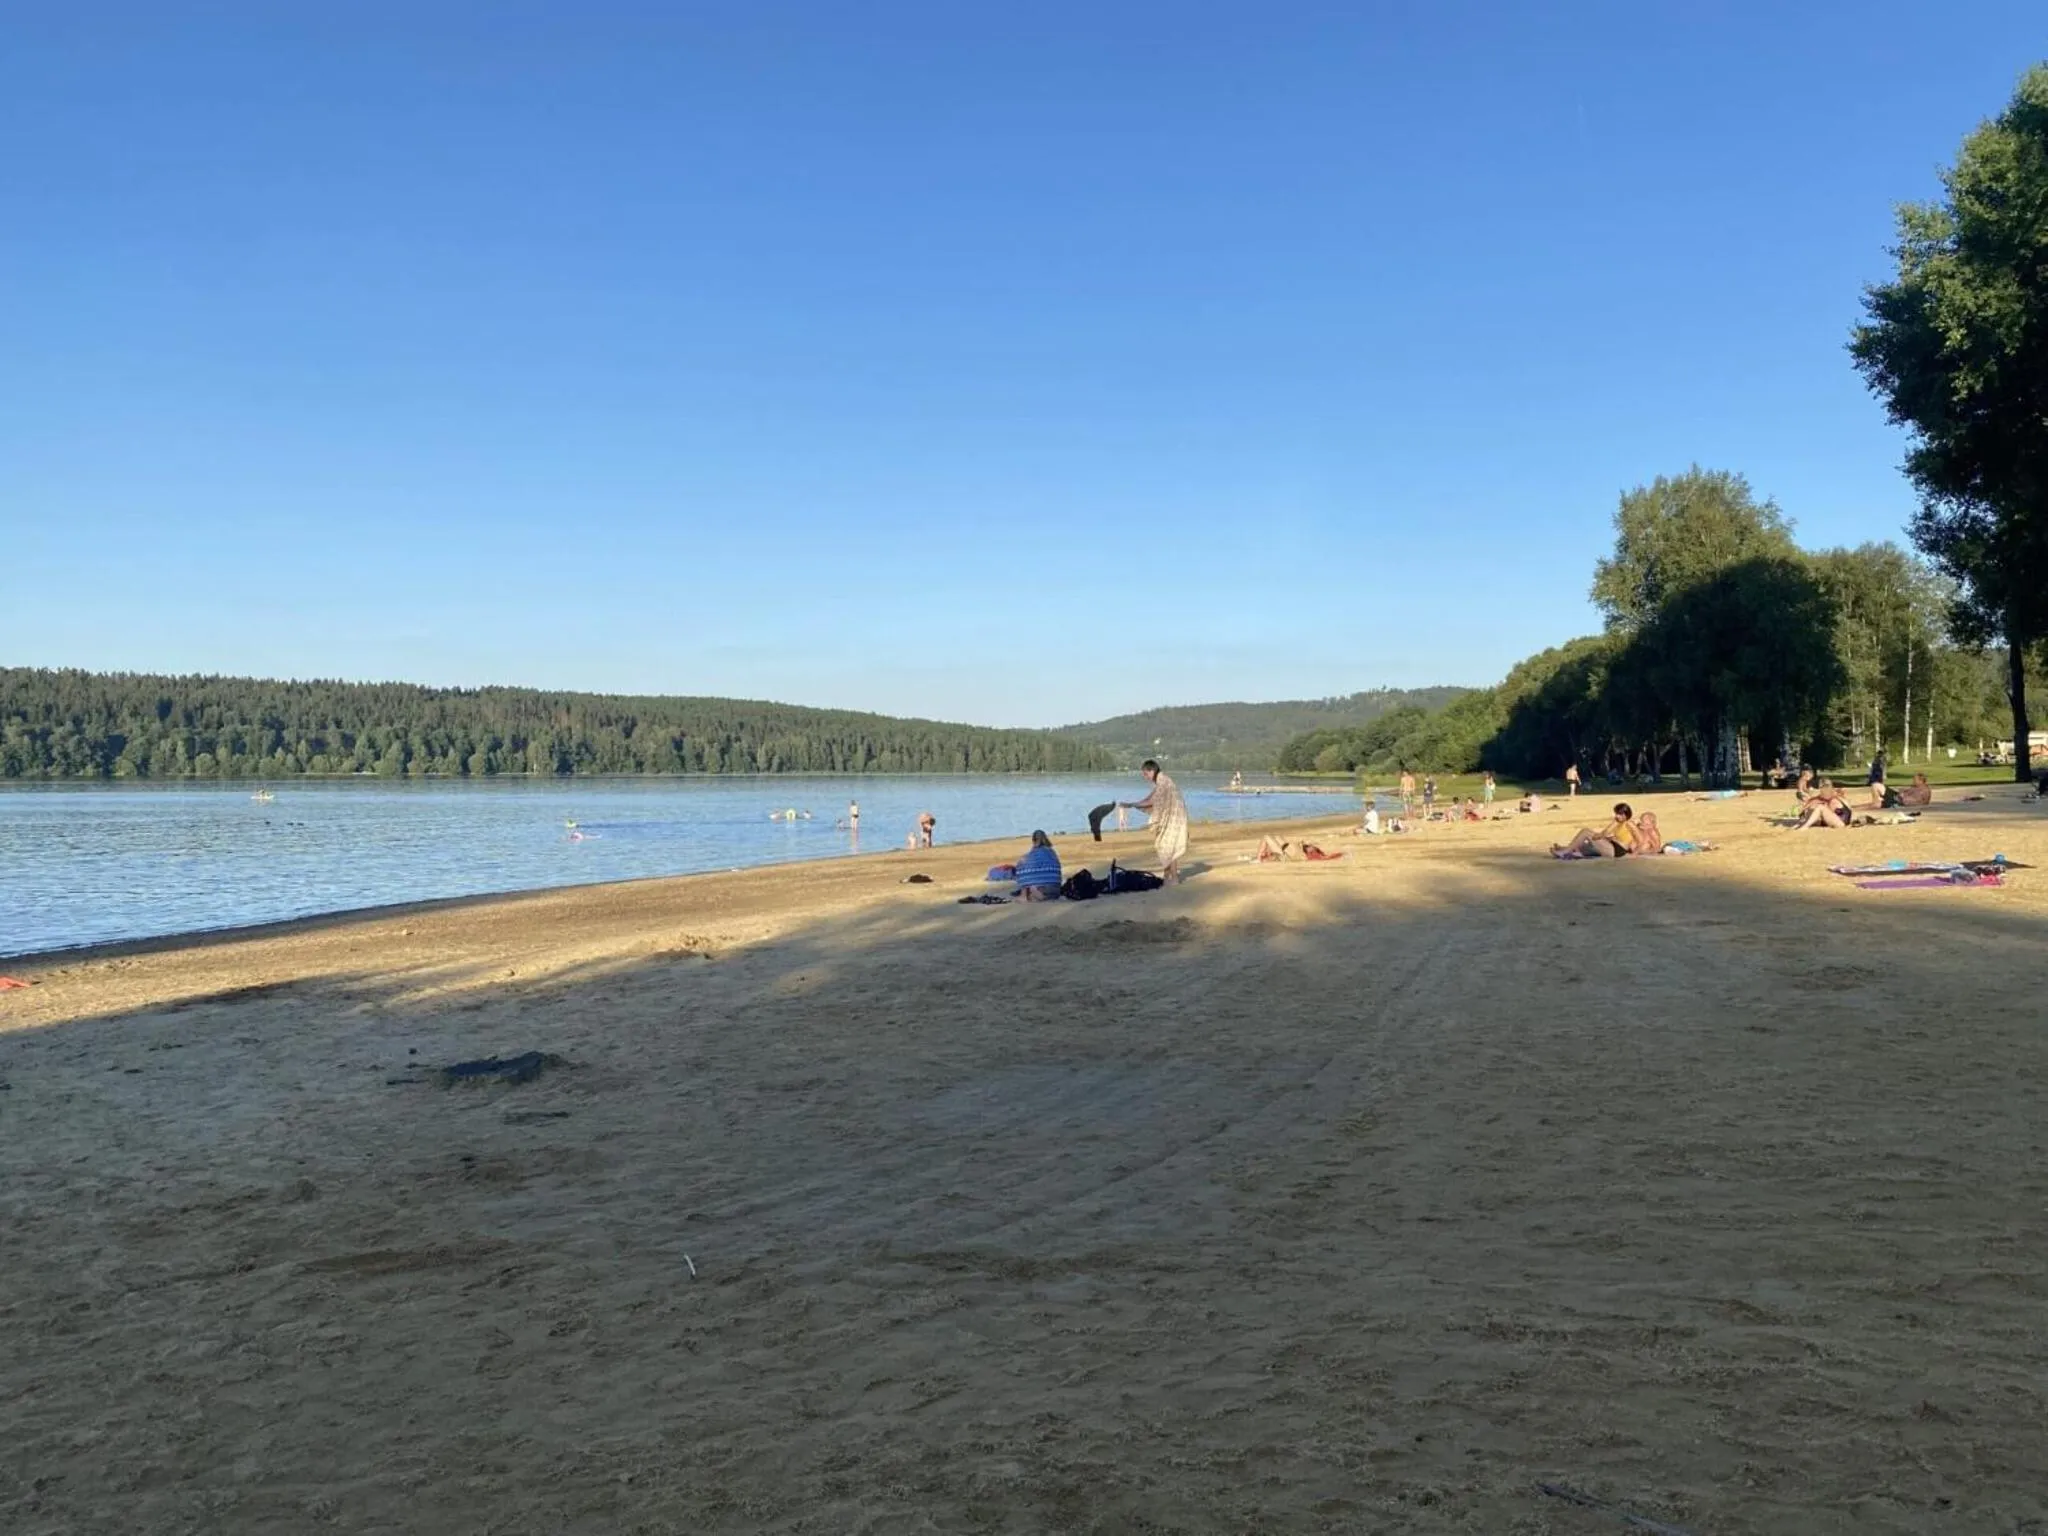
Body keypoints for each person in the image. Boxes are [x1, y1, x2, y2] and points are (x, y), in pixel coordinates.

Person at [1122, 759, 1188, 883]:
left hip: (1174, 817)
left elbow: (1152, 801)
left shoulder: (1163, 782)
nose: (1145, 777)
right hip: (1173, 816)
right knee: (1164, 845)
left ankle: (1174, 878)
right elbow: (1151, 797)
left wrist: (1132, 804)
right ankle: (1167, 876)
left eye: (1146, 774)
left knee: (1169, 846)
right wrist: (1134, 804)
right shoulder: (1162, 780)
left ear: (1152, 770)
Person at [1552, 802, 1636, 858]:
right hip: (1612, 845)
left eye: (1619, 814)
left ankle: (1565, 851)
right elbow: (1605, 832)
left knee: (1585, 832)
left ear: (1626, 814)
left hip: (1618, 850)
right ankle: (1567, 849)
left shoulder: (1629, 823)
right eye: (1616, 814)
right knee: (1588, 843)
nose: (1617, 816)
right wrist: (1602, 835)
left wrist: (1635, 853)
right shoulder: (1617, 822)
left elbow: (1640, 838)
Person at [1011, 830, 1063, 901]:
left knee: (1024, 874)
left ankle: (1032, 894)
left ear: (1033, 840)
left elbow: (1020, 872)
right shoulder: (1052, 853)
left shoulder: (1030, 856)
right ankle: (1036, 893)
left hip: (1041, 889)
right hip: (1056, 891)